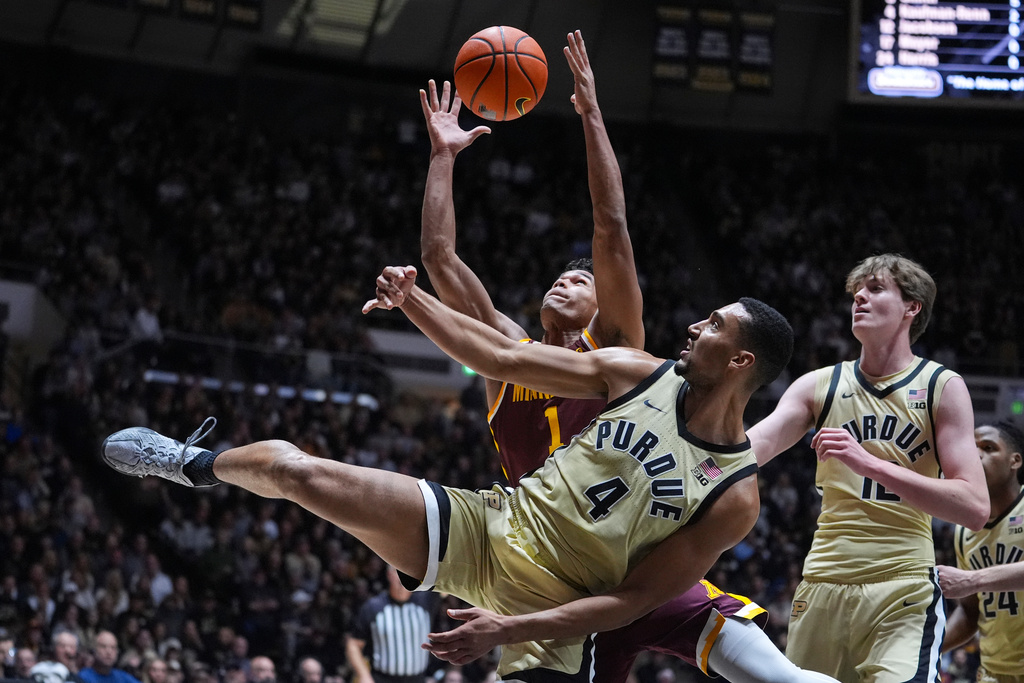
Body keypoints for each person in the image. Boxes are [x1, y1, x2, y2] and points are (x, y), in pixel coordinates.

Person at [102, 263, 794, 681]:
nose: (694, 329)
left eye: (713, 327)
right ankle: (190, 462)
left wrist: (505, 629)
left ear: (740, 362)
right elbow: (498, 357)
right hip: (487, 525)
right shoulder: (635, 371)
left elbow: (629, 602)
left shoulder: (735, 494)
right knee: (302, 474)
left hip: (547, 616)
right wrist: (413, 299)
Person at [419, 31, 833, 683]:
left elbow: (610, 224)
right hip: (554, 578)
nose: (567, 280)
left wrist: (590, 115)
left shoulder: (619, 357)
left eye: (582, 280)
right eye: (560, 276)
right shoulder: (508, 359)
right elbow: (440, 261)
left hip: (641, 569)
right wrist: (443, 155)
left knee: (772, 674)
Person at [747, 253, 990, 683]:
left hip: (903, 586)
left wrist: (868, 462)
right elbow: (752, 449)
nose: (859, 296)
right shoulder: (819, 385)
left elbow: (973, 506)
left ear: (911, 307)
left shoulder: (941, 386)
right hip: (822, 582)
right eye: (856, 291)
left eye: (875, 288)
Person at [937, 420, 1024, 683]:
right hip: (992, 672)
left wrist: (972, 579)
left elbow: (970, 583)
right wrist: (929, 647)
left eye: (988, 447)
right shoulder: (964, 531)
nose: (975, 454)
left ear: (1015, 461)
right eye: (971, 447)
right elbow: (970, 612)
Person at [345, 565, 439, 683]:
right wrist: (364, 675)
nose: (402, 577)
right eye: (397, 572)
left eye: (407, 571)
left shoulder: (427, 600)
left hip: (418, 678)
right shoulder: (373, 607)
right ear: (389, 575)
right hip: (382, 679)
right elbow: (353, 644)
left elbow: (446, 579)